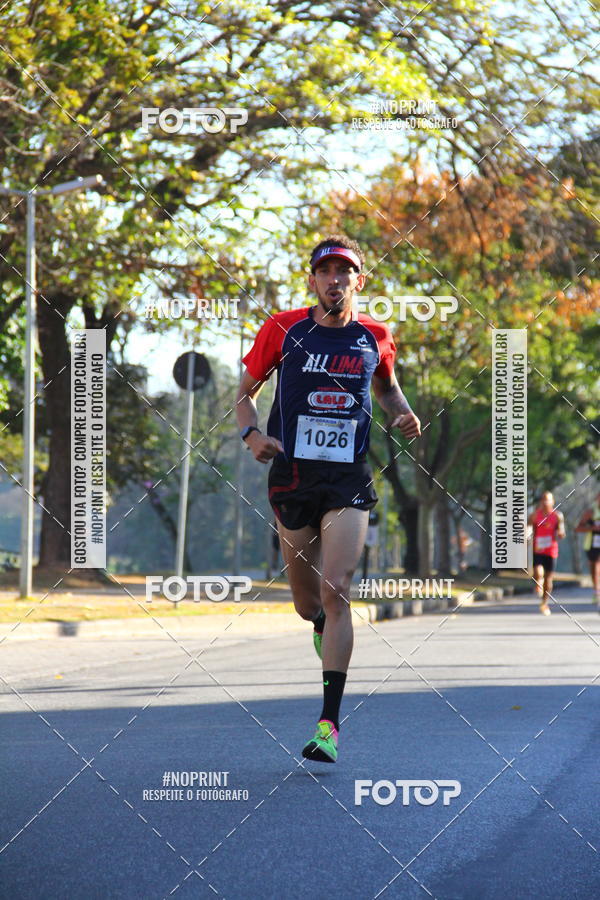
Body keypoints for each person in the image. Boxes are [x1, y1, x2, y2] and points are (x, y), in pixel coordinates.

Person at [236, 234, 421, 763]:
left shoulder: (375, 336)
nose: (335, 280)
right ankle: (320, 626)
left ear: (358, 281)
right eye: (326, 272)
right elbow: (243, 394)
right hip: (292, 478)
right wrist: (253, 437)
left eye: (345, 273)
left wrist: (401, 413)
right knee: (307, 603)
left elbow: (386, 388)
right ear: (312, 280)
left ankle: (329, 725)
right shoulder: (283, 329)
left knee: (337, 587)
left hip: (348, 481)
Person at [528, 491, 565, 615]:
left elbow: (561, 531)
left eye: (548, 500)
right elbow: (527, 528)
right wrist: (527, 536)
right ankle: (539, 582)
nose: (545, 502)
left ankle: (544, 603)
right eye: (543, 499)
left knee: (549, 579)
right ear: (540, 502)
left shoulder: (557, 516)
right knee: (538, 572)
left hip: (551, 550)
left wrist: (560, 534)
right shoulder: (534, 515)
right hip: (538, 549)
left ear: (552, 501)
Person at [575, 490, 600, 608]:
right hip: (591, 545)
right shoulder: (590, 513)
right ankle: (596, 590)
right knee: (594, 568)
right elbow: (578, 528)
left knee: (597, 566)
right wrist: (592, 528)